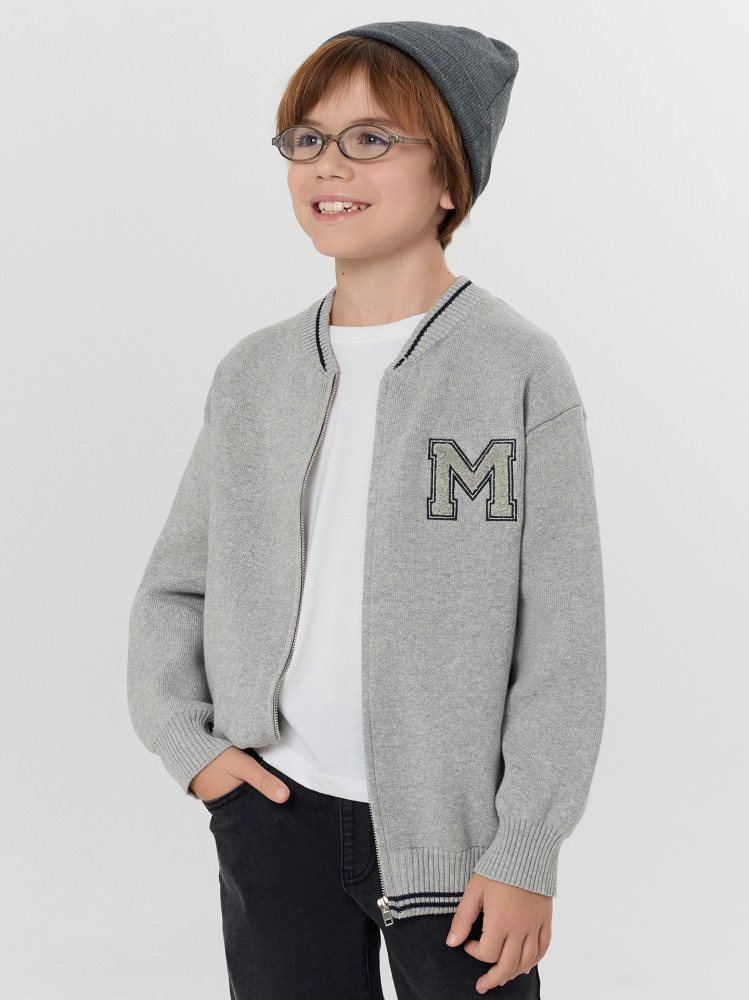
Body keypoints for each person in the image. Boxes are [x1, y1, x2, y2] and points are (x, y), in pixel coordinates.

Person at [127, 20, 607, 1000]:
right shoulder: (254, 374)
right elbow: (177, 585)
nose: (327, 163)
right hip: (273, 811)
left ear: (448, 178)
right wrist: (194, 749)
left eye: (370, 138)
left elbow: (562, 636)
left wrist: (527, 844)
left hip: (458, 841)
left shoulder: (515, 369)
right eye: (306, 138)